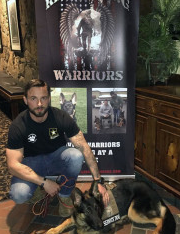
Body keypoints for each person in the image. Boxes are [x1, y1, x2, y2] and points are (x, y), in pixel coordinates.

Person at [6, 79, 109, 217]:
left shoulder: (61, 117)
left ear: (49, 98)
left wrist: (98, 182)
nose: (39, 104)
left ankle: (64, 195)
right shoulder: (18, 126)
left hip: (56, 158)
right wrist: (43, 183)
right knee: (19, 194)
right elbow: (12, 166)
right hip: (32, 163)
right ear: (25, 100)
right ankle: (37, 188)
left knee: (75, 155)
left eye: (43, 98)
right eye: (33, 98)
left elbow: (84, 147)